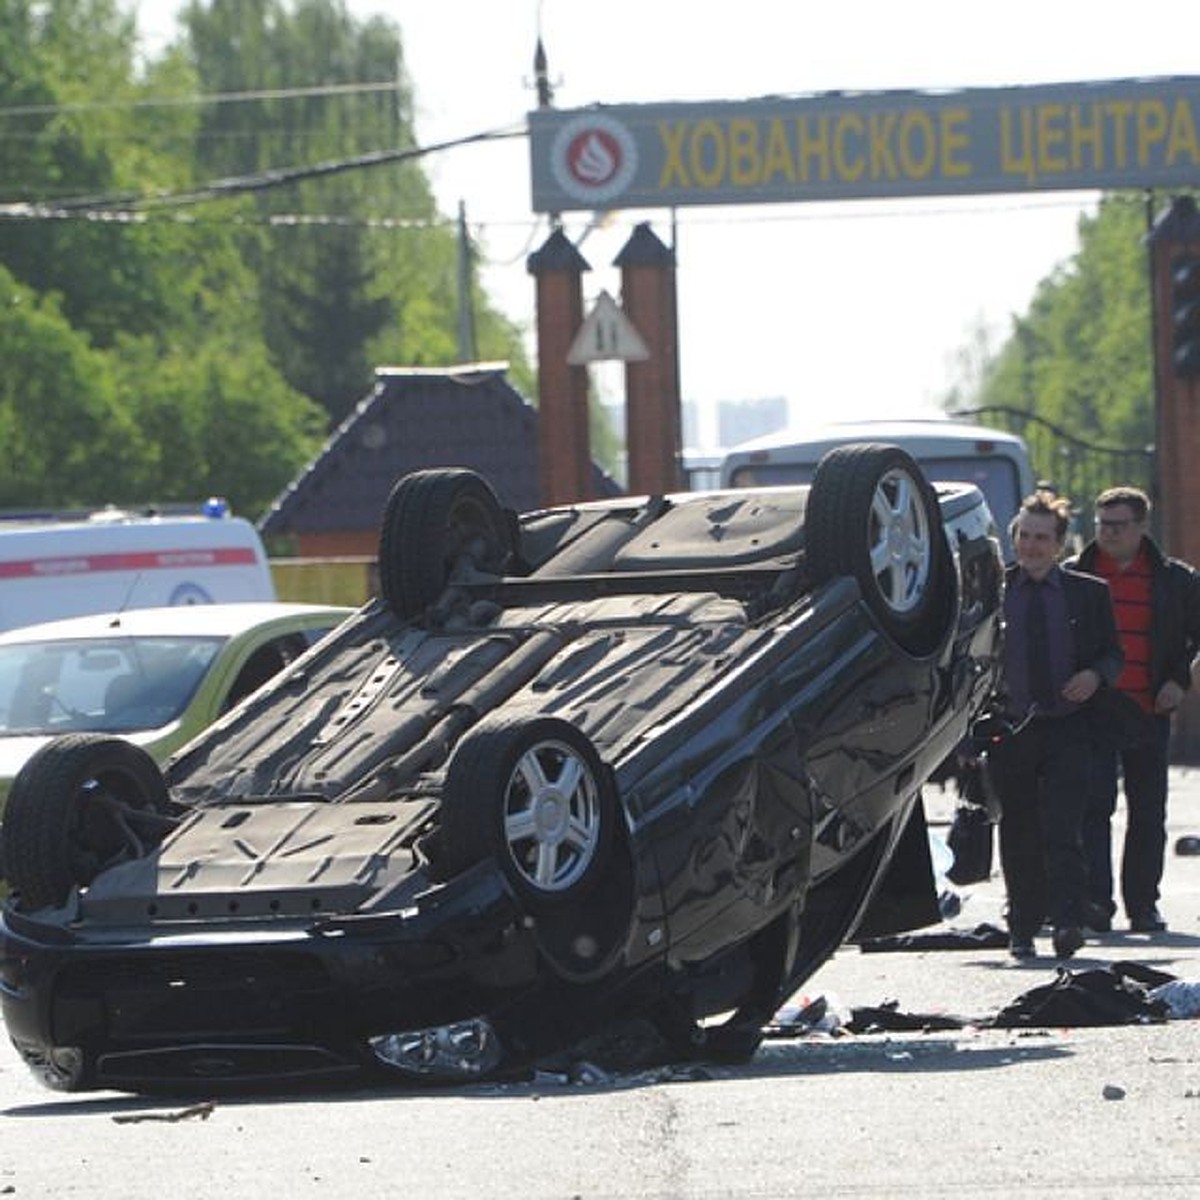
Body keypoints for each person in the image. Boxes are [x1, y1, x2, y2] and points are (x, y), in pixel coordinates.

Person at [986, 491, 1124, 961]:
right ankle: (1022, 925)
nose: (1031, 546)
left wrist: (1094, 675)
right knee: (1018, 828)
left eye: (1042, 538)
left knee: (1066, 828)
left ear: (1060, 544)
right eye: (1024, 535)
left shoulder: (1088, 593)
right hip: (1013, 726)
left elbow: (1113, 654)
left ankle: (1067, 921)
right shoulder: (992, 593)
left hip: (1069, 726)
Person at [1068, 486, 1200, 933]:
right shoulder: (1077, 574)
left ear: (1143, 526)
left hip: (1149, 707)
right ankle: (1095, 904)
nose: (1108, 533)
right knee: (1093, 806)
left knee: (1148, 811)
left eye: (1119, 525)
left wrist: (1179, 680)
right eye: (1103, 524)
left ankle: (1143, 904)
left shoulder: (1175, 580)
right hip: (1094, 710)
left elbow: (1194, 636)